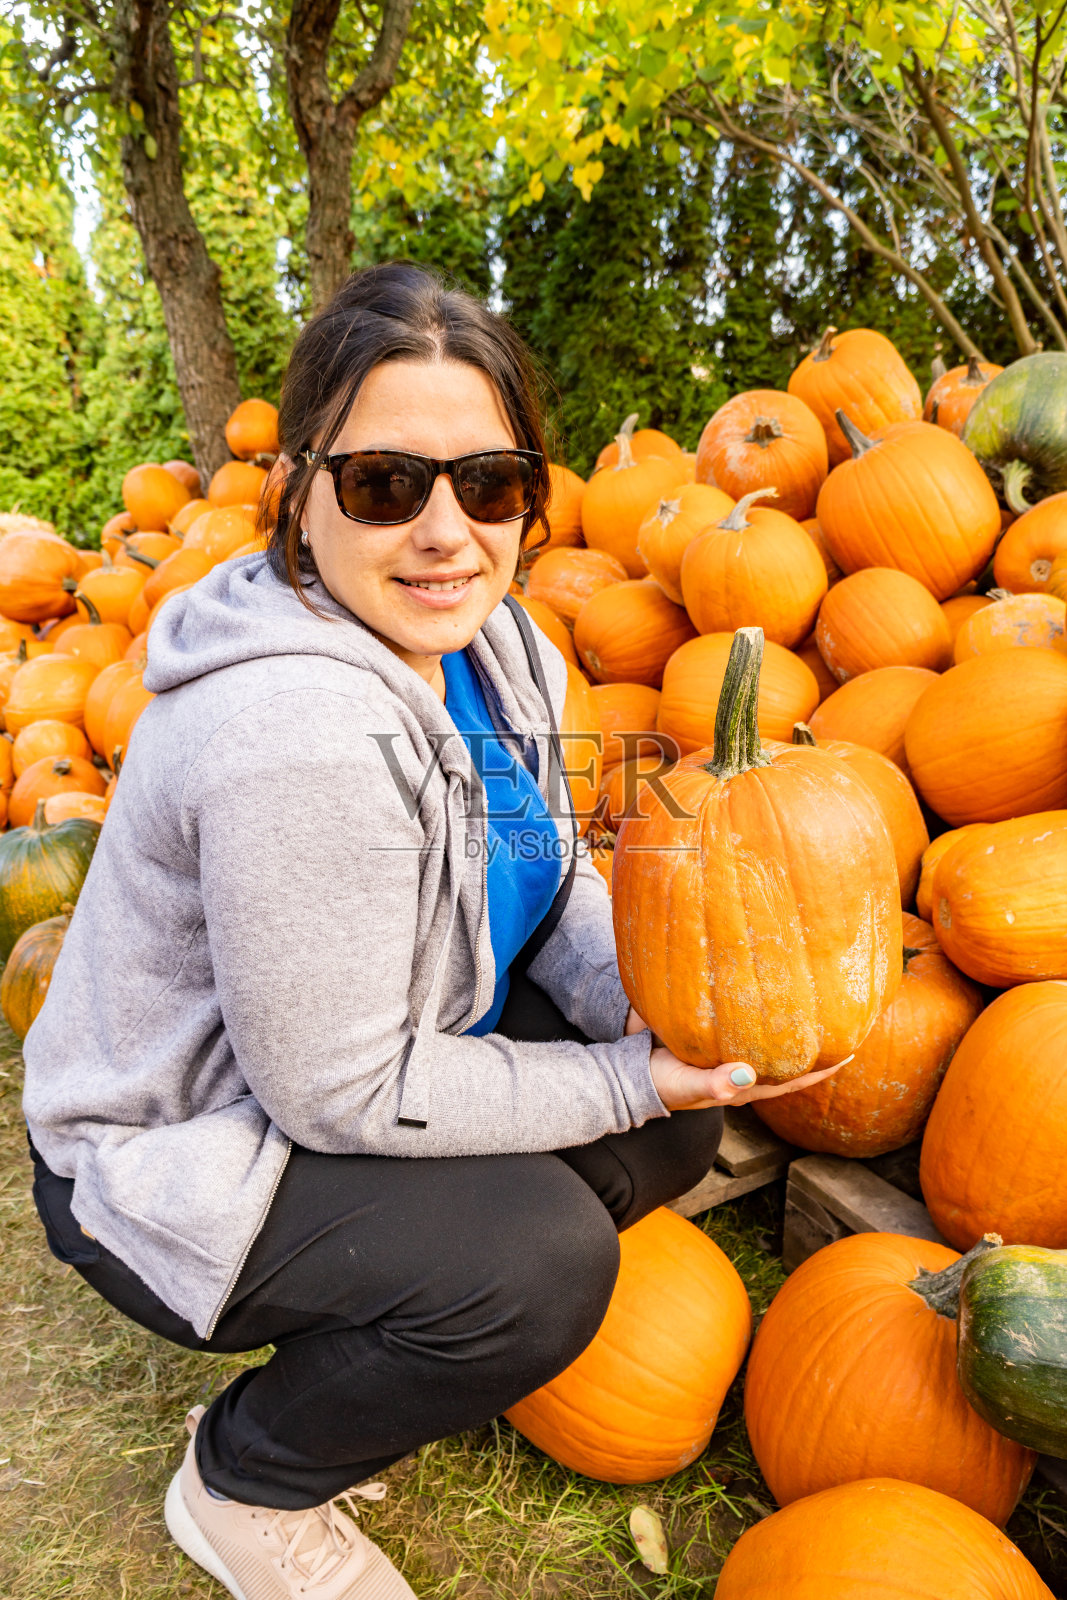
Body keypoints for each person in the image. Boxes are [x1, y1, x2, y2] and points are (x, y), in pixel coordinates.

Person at [22, 263, 838, 1599]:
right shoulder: (287, 734)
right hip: (183, 1136)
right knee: (540, 1262)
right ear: (300, 490)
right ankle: (245, 1479)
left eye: (492, 483)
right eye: (387, 484)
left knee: (673, 1120)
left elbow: (548, 878)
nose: (448, 531)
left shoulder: (501, 651)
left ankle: (396, 1336)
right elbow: (337, 1086)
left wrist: (657, 1008)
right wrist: (625, 1075)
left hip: (366, 1047)